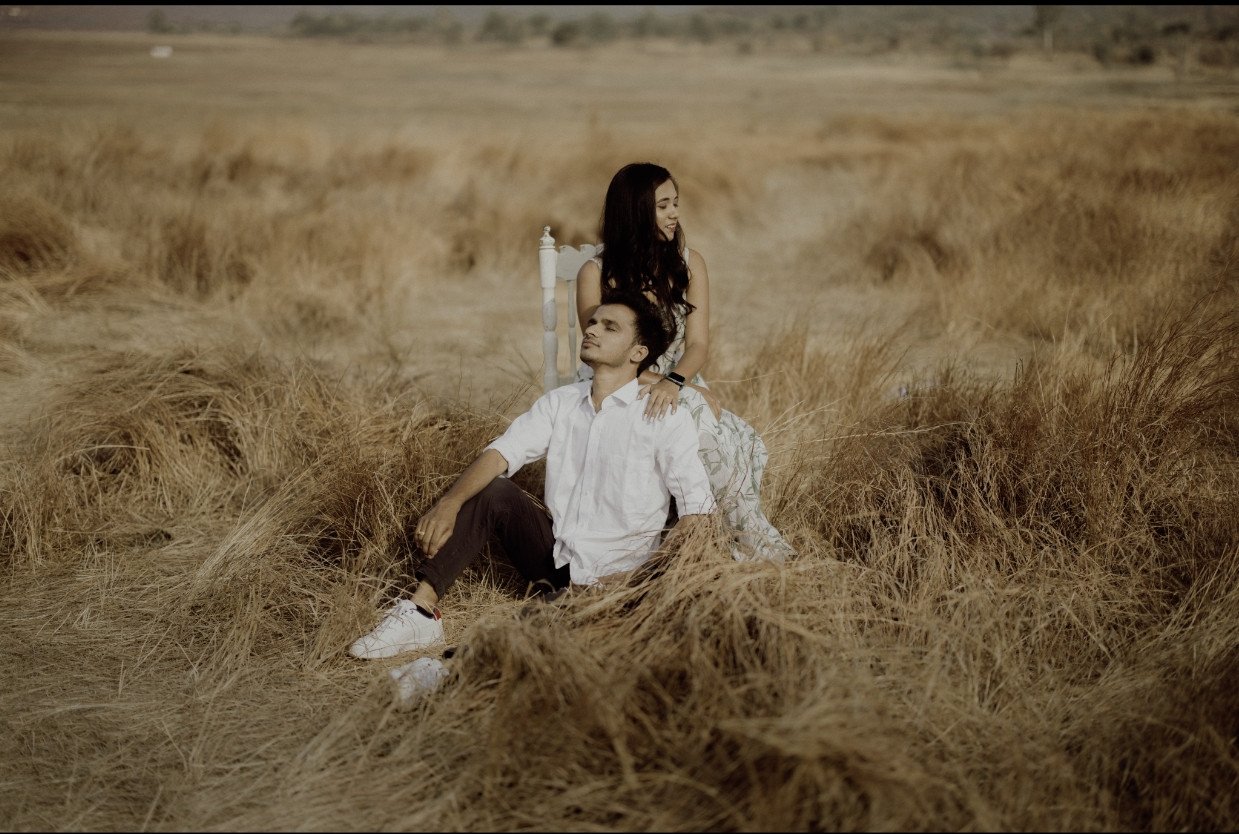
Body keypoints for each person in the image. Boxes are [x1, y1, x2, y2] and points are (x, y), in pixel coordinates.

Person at [349, 292, 717, 661]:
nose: (592, 330)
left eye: (610, 327)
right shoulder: (560, 403)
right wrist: (449, 503)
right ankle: (421, 613)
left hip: (618, 581)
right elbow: (501, 453)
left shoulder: (663, 417)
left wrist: (637, 582)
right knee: (495, 491)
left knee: (530, 629)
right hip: (555, 560)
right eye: (592, 322)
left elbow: (698, 515)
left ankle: (460, 663)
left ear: (638, 352)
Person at [575, 162, 794, 562]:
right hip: (616, 381)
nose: (674, 213)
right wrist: (672, 386)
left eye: (675, 203)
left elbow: (698, 345)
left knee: (726, 434)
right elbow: (604, 354)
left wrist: (677, 381)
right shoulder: (596, 273)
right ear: (636, 211)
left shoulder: (690, 264)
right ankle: (745, 548)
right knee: (699, 420)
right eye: (662, 206)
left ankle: (733, 542)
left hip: (679, 377)